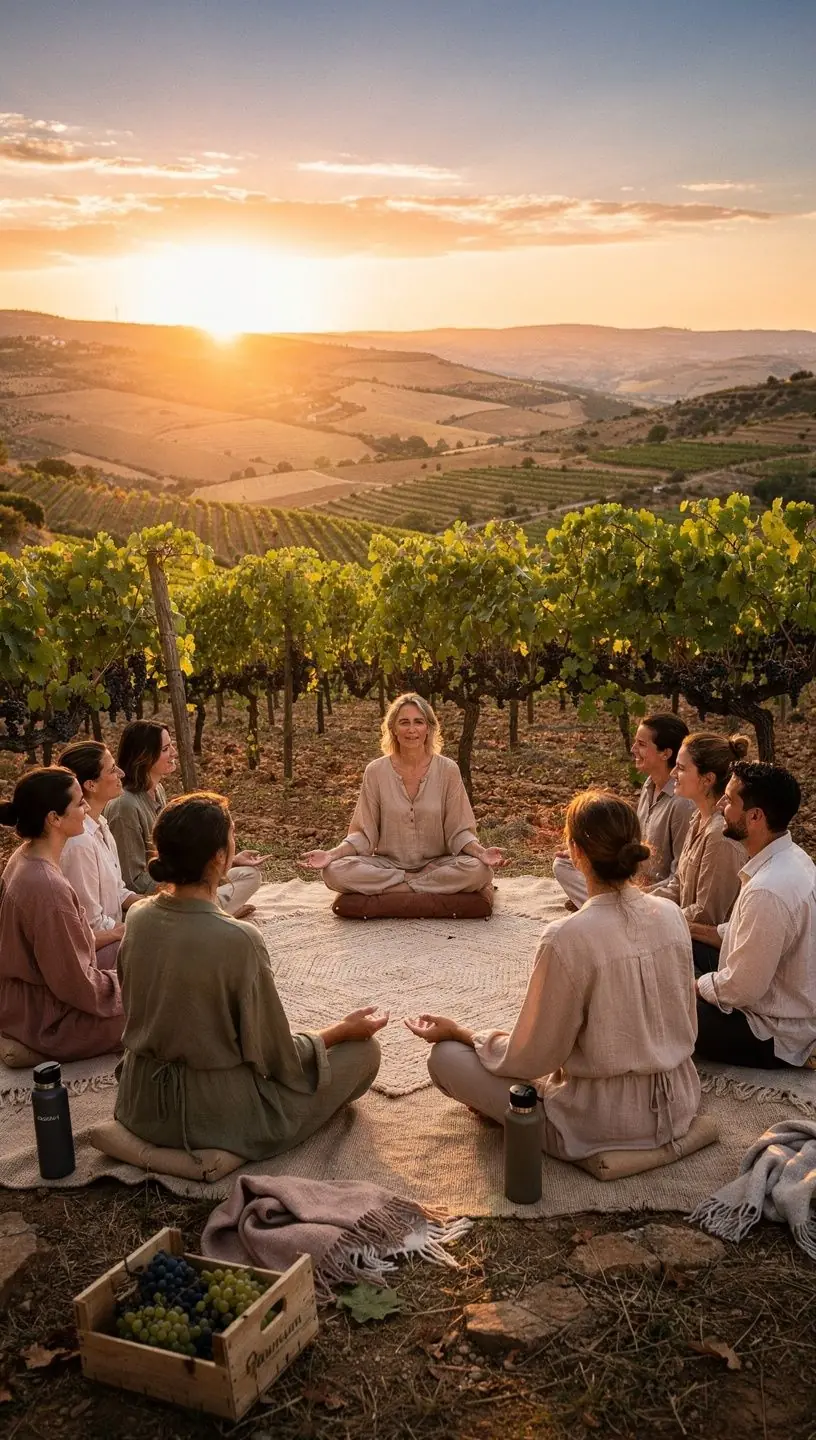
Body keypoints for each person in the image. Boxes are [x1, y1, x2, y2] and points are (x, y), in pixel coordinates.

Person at [405, 790, 700, 1160]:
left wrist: (462, 1033)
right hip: (678, 1104)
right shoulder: (672, 915)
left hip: (596, 1123)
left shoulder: (567, 936)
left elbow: (532, 1059)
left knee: (446, 1058)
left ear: (576, 852)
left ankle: (518, 1115)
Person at [115, 791, 386, 1159]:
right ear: (217, 857)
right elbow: (275, 1055)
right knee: (363, 1052)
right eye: (232, 836)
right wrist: (342, 1031)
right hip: (212, 1117)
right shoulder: (238, 939)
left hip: (140, 1103)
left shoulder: (138, 917)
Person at [300, 693, 503, 895]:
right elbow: (363, 834)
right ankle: (417, 885)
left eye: (419, 722)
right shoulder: (376, 771)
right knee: (333, 871)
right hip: (387, 866)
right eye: (404, 722)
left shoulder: (448, 769)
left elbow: (459, 832)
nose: (412, 730)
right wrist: (330, 854)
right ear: (393, 729)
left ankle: (397, 889)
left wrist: (481, 853)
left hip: (437, 865)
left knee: (480, 870)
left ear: (429, 728)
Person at [689, 762, 816, 1069]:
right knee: (678, 942)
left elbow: (741, 988)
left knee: (661, 1003)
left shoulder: (767, 890)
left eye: (730, 800)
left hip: (774, 1032)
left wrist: (689, 986)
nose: (720, 804)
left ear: (756, 816)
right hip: (772, 996)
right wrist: (687, 929)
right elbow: (741, 933)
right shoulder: (791, 857)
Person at [0, 768, 124, 1061]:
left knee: (136, 951)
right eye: (80, 803)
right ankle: (33, 1048)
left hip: (33, 996)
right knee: (161, 1007)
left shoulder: (27, 854)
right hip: (47, 1016)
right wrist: (127, 986)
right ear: (54, 818)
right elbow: (77, 985)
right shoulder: (47, 887)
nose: (86, 810)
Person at [105, 720, 262, 918]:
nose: (173, 753)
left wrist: (226, 861)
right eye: (165, 749)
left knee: (249, 876)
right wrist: (187, 883)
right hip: (153, 898)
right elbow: (133, 882)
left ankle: (213, 910)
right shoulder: (124, 806)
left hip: (178, 880)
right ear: (144, 756)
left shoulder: (158, 790)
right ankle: (214, 912)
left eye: (171, 746)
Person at [553, 712, 694, 909]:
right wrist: (587, 854)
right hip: (628, 880)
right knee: (564, 865)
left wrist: (637, 895)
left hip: (655, 895)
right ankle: (607, 906)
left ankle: (603, 907)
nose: (633, 749)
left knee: (615, 899)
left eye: (642, 745)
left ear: (665, 753)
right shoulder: (649, 785)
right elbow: (630, 845)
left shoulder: (682, 804)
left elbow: (680, 880)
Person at [651, 733, 749, 957]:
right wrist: (641, 899)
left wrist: (652, 914)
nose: (673, 774)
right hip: (680, 928)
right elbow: (678, 883)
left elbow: (706, 916)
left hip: (702, 950)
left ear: (708, 779)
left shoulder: (720, 836)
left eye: (681, 768)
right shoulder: (698, 818)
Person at [58, 742, 139, 962]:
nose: (121, 773)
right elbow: (91, 925)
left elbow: (118, 892)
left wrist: (155, 903)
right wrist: (142, 927)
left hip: (113, 937)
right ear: (91, 785)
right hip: (96, 953)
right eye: (112, 769)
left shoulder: (100, 823)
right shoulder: (79, 842)